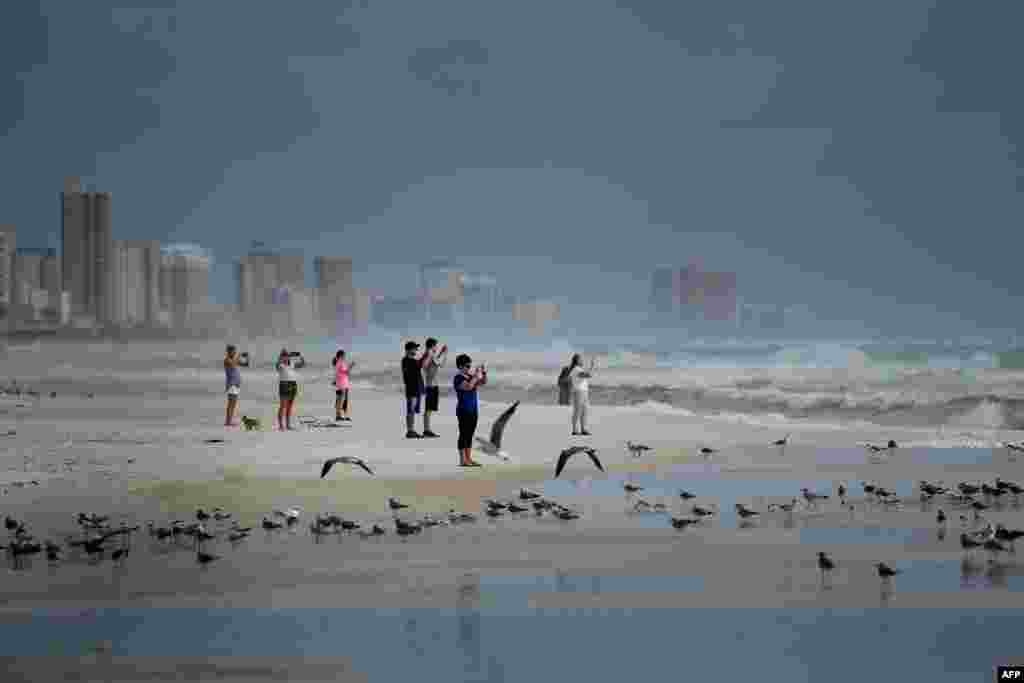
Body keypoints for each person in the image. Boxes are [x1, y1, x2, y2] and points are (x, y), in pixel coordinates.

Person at [454, 353, 486, 467]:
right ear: (461, 366)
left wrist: (482, 373)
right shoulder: (458, 378)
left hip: (473, 409)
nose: (469, 368)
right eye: (467, 366)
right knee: (464, 434)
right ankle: (463, 460)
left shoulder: (470, 376)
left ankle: (468, 459)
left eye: (469, 366)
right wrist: (476, 376)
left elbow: (482, 382)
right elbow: (468, 387)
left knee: (469, 435)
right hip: (463, 410)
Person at [419, 337, 448, 438]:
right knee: (428, 409)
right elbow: (423, 365)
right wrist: (431, 355)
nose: (436, 347)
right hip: (430, 386)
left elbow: (440, 363)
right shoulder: (427, 355)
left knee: (430, 409)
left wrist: (443, 353)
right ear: (431, 346)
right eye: (435, 346)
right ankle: (426, 430)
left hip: (434, 385)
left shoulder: (432, 355)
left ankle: (427, 429)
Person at [402, 340, 425, 438]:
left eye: (416, 348)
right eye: (414, 348)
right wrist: (427, 354)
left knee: (412, 410)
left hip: (416, 389)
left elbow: (420, 365)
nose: (416, 350)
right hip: (412, 389)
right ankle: (410, 431)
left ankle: (411, 430)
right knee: (410, 410)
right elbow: (420, 365)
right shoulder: (406, 361)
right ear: (408, 350)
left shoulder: (412, 361)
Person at [568, 353, 595, 436]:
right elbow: (588, 375)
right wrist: (592, 366)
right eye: (580, 359)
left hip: (584, 392)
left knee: (584, 411)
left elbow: (586, 375)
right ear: (577, 360)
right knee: (578, 411)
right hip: (578, 392)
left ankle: (584, 429)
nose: (582, 360)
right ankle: (575, 430)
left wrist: (590, 367)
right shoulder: (576, 369)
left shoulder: (579, 369)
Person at [275, 348, 299, 431]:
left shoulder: (291, 363)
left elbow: (303, 364)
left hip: (293, 384)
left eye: (287, 356)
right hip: (284, 385)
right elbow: (277, 366)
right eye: (284, 356)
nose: (286, 357)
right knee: (283, 406)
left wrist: (299, 355)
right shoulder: (280, 365)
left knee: (289, 406)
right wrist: (280, 358)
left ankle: (288, 425)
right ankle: (281, 425)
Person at [332, 349, 355, 422]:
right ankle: (339, 416)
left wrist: (334, 381)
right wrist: (351, 366)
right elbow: (346, 372)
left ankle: (339, 415)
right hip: (342, 383)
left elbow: (339, 373)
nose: (345, 356)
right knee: (341, 400)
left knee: (340, 399)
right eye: (344, 355)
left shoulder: (338, 363)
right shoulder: (340, 363)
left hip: (340, 383)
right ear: (341, 356)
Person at [224, 344, 243, 427]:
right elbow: (233, 364)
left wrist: (245, 358)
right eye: (233, 351)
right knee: (231, 403)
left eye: (235, 351)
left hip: (236, 384)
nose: (235, 352)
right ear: (229, 352)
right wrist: (238, 358)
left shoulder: (233, 359)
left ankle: (230, 420)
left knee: (233, 403)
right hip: (231, 384)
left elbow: (245, 364)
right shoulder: (227, 360)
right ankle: (228, 421)